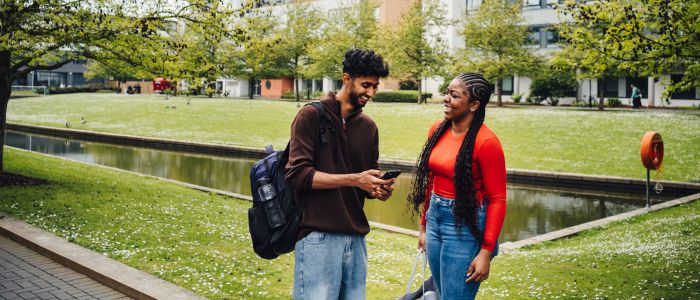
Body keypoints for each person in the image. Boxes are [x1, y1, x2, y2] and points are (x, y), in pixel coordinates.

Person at [285, 48, 395, 300]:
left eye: (375, 86)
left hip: (356, 239)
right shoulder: (310, 115)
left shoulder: (369, 127)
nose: (371, 93)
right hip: (318, 236)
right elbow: (298, 175)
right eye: (366, 85)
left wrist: (378, 189)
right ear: (347, 79)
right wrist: (355, 178)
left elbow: (367, 184)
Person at [407, 73, 507, 300]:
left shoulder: (487, 142)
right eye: (446, 92)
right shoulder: (438, 129)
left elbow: (497, 199)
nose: (446, 99)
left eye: (454, 95)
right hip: (436, 218)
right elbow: (432, 181)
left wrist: (486, 251)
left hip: (466, 226)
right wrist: (424, 226)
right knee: (444, 294)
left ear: (473, 105)